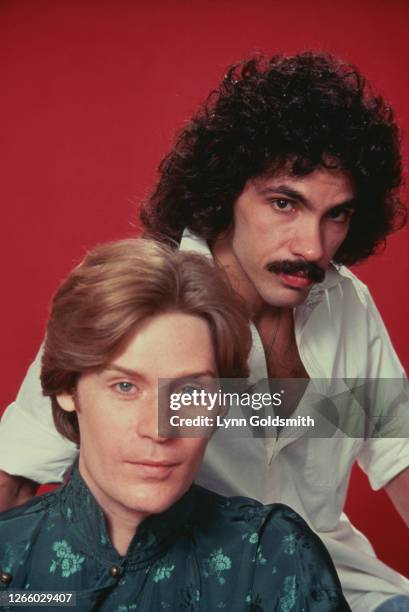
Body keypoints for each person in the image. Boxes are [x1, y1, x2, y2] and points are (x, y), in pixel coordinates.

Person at [0, 52, 407, 612]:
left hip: (336, 580)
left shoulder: (347, 303)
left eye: (335, 214)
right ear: (227, 194)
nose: (312, 247)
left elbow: (400, 456)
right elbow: (14, 475)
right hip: (185, 584)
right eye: (284, 203)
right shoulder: (147, 302)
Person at [0, 238, 349, 611]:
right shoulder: (9, 554)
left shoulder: (272, 555)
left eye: (190, 392)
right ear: (69, 389)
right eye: (125, 386)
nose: (159, 429)